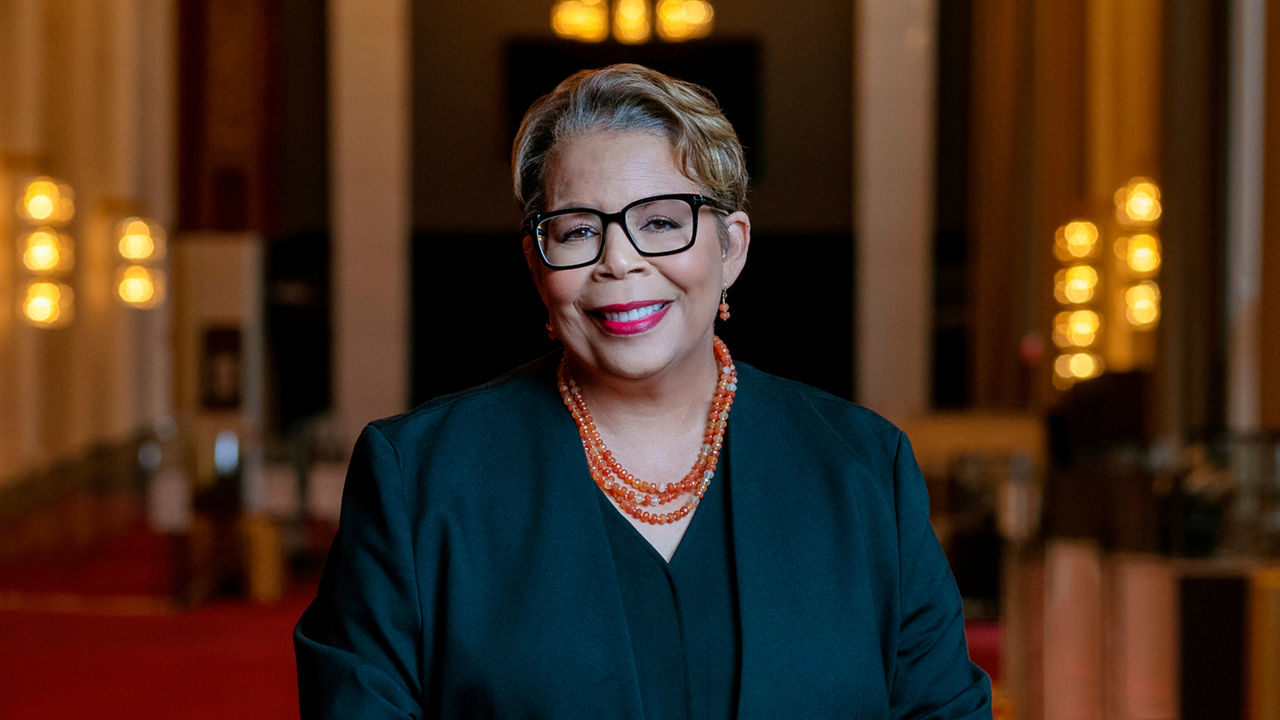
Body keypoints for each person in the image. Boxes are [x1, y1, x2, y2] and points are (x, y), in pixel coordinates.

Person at [295, 63, 992, 719]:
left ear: (732, 248)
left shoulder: (864, 469)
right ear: (538, 266)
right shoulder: (421, 480)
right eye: (576, 231)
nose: (620, 261)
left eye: (661, 221)